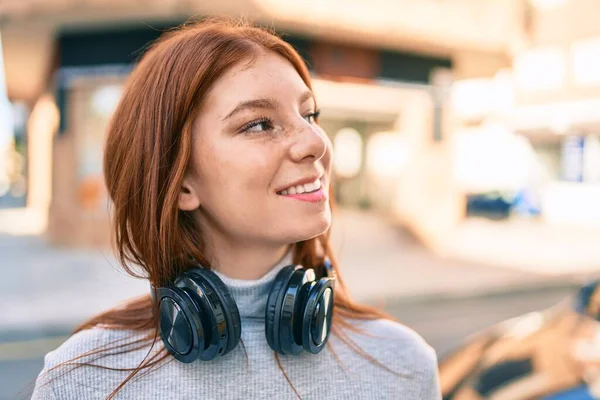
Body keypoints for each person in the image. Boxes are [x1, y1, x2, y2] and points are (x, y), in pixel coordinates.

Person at [31, 17, 440, 400]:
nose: (315, 142)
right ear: (182, 184)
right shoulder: (83, 379)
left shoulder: (401, 365)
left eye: (309, 114)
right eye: (259, 124)